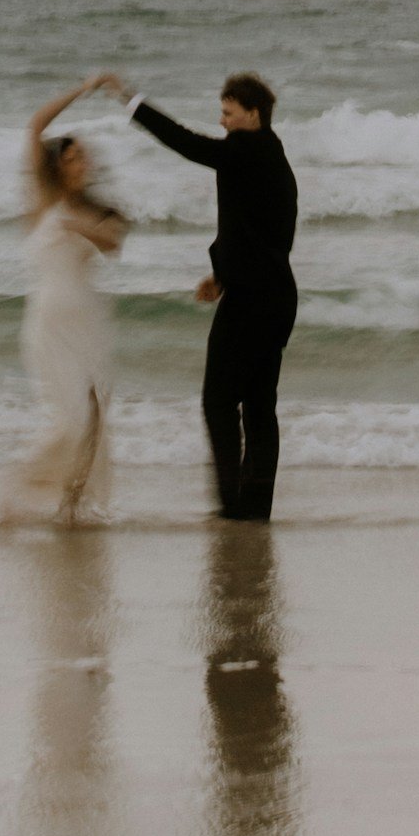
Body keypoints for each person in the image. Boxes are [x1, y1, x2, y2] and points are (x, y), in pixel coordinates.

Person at [98, 70, 297, 520]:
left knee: (218, 402)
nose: (222, 121)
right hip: (276, 297)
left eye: (228, 113)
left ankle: (231, 504)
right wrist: (221, 276)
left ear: (253, 113)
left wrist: (130, 101)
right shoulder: (273, 152)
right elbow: (261, 231)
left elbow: (183, 141)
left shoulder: (243, 152)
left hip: (250, 302)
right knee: (260, 407)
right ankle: (255, 507)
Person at [0, 77, 126, 525]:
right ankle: (11, 489)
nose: (83, 160)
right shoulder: (43, 201)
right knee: (70, 422)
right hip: (48, 324)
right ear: (59, 166)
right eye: (73, 155)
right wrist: (84, 88)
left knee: (95, 421)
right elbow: (36, 125)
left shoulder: (96, 211)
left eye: (84, 155)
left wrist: (83, 228)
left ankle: (73, 506)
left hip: (87, 324)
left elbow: (113, 241)